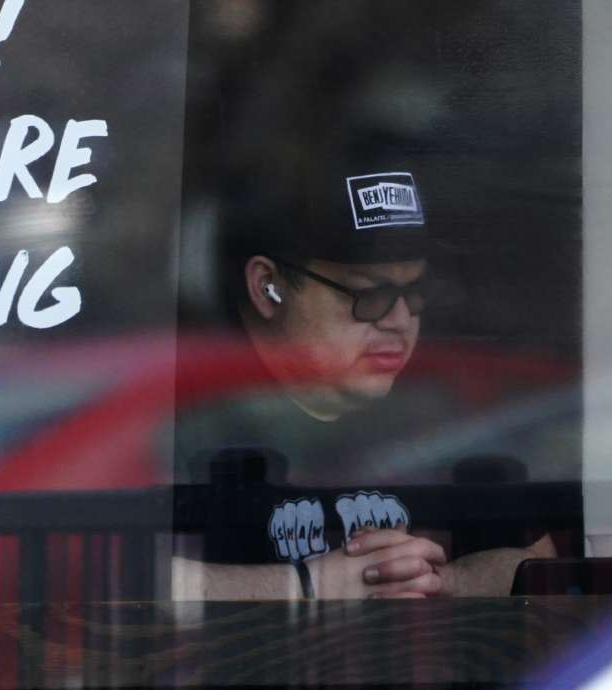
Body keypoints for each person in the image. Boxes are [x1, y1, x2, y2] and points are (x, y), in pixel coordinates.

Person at [172, 167, 571, 600]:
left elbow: (538, 564)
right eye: (368, 296)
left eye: (415, 293)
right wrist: (305, 586)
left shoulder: (449, 421)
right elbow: (113, 578)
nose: (399, 320)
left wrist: (438, 581)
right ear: (268, 287)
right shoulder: (189, 422)